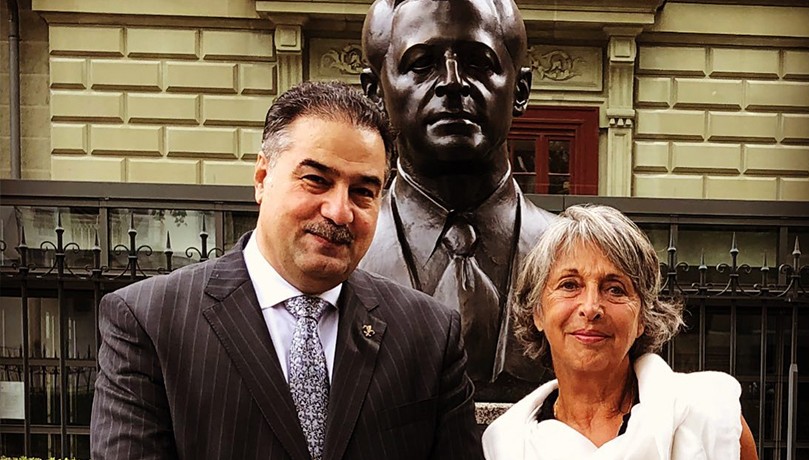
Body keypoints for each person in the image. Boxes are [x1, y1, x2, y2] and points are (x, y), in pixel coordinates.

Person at [90, 81, 481, 460]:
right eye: (316, 180)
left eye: (363, 191)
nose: (339, 211)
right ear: (262, 178)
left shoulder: (429, 334)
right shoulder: (150, 322)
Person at [359, 0, 556, 396]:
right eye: (421, 64)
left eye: (478, 62)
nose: (452, 82)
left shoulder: (569, 253)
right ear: (375, 93)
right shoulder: (344, 253)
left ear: (520, 90)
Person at [482, 204, 759, 459]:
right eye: (569, 285)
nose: (591, 308)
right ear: (537, 312)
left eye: (615, 289)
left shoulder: (711, 417)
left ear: (642, 318)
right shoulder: (507, 443)